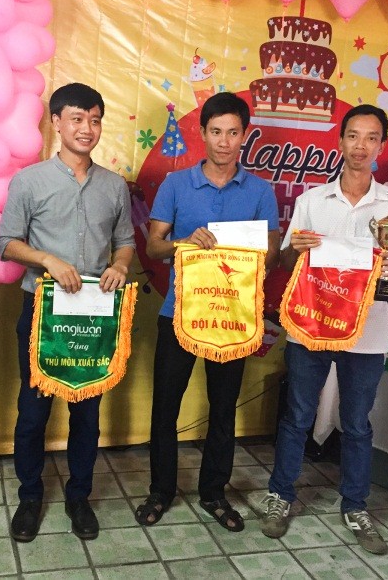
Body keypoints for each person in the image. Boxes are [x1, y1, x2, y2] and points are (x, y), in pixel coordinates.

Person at [260, 104, 388, 555]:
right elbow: (287, 260)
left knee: (357, 424)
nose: (360, 146)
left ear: (381, 146)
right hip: (311, 324)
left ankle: (356, 506)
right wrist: (297, 248)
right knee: (296, 416)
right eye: (353, 136)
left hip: (366, 332)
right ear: (341, 140)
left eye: (371, 138)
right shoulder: (312, 200)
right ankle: (280, 496)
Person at [0, 83, 135, 542]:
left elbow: (126, 242)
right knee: (33, 412)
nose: (86, 128)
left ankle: (79, 496)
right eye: (77, 118)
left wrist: (119, 265)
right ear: (56, 122)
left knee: (87, 415)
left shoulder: (114, 186)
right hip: (43, 311)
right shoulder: (29, 180)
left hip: (94, 315)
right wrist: (46, 260)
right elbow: (5, 242)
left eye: (94, 120)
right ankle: (30, 496)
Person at [135, 92, 280, 532]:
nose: (224, 141)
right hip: (179, 312)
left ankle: (214, 492)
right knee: (166, 406)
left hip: (232, 316)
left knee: (223, 408)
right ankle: (160, 490)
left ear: (245, 136)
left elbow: (272, 254)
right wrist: (183, 242)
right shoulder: (176, 184)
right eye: (216, 131)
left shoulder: (260, 190)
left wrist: (245, 247)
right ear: (203, 134)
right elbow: (153, 246)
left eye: (233, 132)